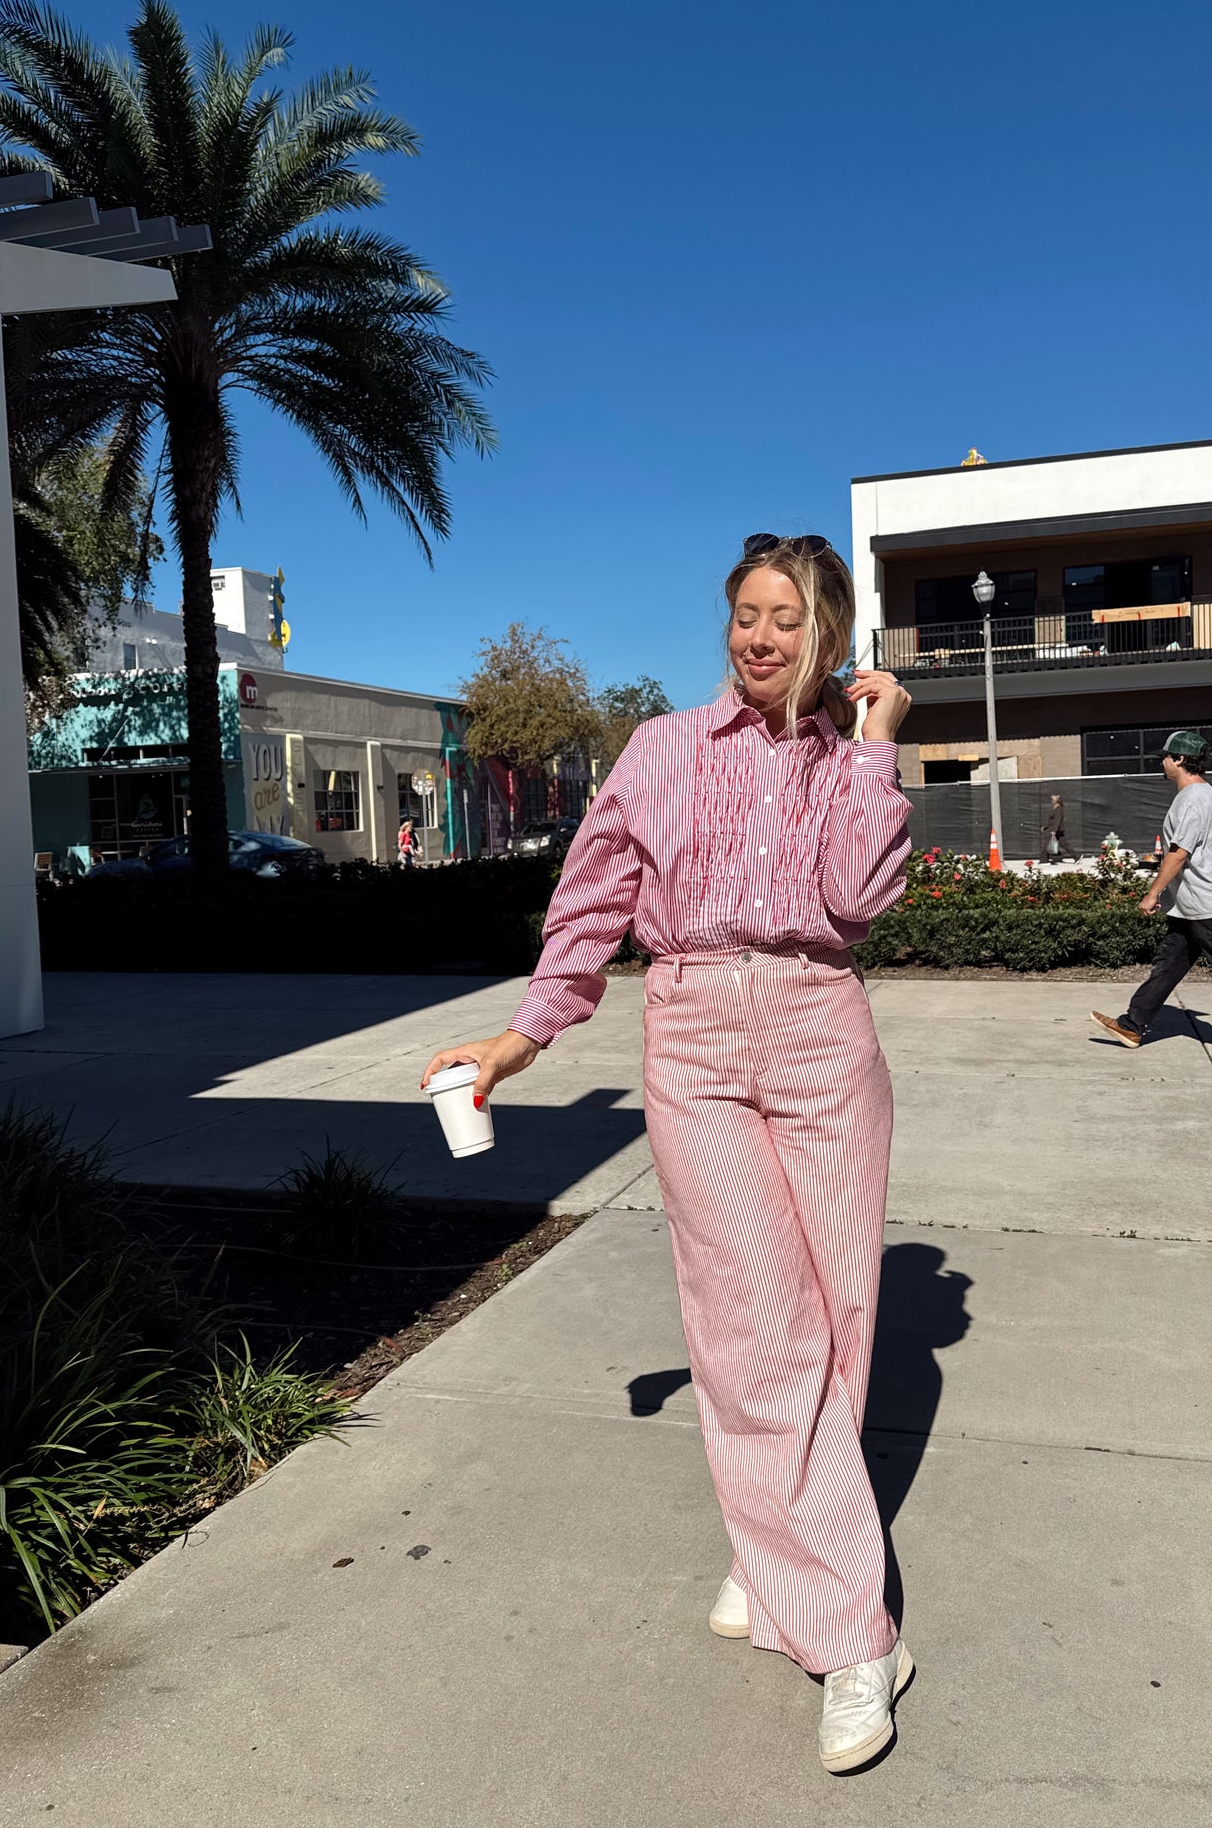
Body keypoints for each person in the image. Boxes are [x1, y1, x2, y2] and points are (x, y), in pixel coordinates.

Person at [422, 535, 916, 1773]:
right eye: (743, 615)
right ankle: (855, 1637)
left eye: (784, 618)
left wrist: (873, 747)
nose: (758, 637)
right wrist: (526, 1034)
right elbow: (591, 899)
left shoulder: (843, 758)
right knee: (754, 1328)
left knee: (838, 1318)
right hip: (693, 1033)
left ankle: (774, 1549)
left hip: (818, 1026)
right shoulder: (660, 749)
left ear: (827, 631)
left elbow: (857, 900)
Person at [1090, 731, 1212, 1060]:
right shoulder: (1211, 796)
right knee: (1168, 967)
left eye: (1165, 757)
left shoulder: (1191, 799)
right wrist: (1181, 856)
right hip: (1191, 906)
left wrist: (1153, 891)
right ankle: (1132, 1024)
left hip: (1206, 904)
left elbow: (1180, 852)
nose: (1163, 762)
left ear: (1180, 760)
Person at [1039, 794, 1078, 862]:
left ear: (1056, 801)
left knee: (1046, 844)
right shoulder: (1056, 808)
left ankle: (1044, 860)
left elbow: (1058, 820)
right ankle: (1077, 857)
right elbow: (1052, 821)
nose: (1051, 801)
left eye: (1052, 800)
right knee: (1064, 844)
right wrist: (1045, 827)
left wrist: (1054, 830)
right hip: (1056, 829)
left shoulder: (1058, 808)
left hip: (1055, 829)